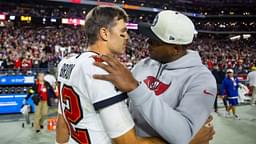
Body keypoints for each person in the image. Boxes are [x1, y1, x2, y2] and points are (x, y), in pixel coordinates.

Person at [93, 10, 217, 144]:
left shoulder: (202, 79)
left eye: (155, 41)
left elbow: (183, 135)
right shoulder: (143, 64)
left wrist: (135, 88)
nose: (148, 42)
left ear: (176, 49)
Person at [55, 6, 164, 144]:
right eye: (123, 32)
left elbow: (62, 126)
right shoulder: (102, 69)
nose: (127, 38)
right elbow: (128, 142)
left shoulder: (66, 62)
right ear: (104, 33)